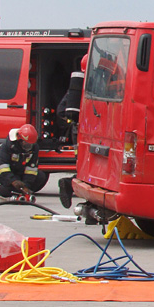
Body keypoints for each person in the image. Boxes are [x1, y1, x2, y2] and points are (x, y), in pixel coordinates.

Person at [0, 124, 48, 199]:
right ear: (19, 139)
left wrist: (26, 186)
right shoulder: (7, 146)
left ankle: (20, 192)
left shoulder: (34, 147)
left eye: (31, 145)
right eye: (27, 145)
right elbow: (3, 167)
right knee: (13, 189)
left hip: (18, 172)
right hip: (2, 173)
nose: (29, 148)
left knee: (40, 176)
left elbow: (31, 169)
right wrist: (13, 181)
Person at [57, 54, 87, 208]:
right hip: (91, 134)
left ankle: (91, 214)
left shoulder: (76, 87)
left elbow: (61, 111)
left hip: (78, 133)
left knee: (86, 169)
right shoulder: (96, 84)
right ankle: (69, 184)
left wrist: (75, 121)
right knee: (92, 171)